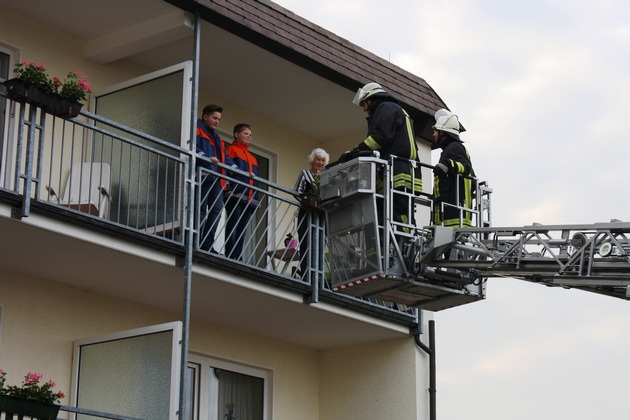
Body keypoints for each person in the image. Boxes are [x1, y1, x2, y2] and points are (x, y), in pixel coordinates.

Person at [340, 82, 422, 229]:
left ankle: (404, 245)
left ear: (371, 100)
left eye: (364, 104)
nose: (364, 109)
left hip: (397, 173)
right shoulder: (394, 109)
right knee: (391, 213)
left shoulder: (386, 108)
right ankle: (399, 243)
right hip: (400, 170)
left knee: (397, 212)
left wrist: (356, 152)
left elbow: (380, 137)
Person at [196, 104, 234, 252]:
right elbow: (191, 146)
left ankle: (207, 244)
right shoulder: (196, 129)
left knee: (217, 209)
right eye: (214, 118)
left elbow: (225, 157)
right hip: (203, 174)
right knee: (200, 210)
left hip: (216, 179)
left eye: (219, 119)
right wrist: (206, 158)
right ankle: (195, 240)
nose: (217, 121)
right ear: (205, 116)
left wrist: (235, 169)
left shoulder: (217, 137)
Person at [431, 109, 476, 227]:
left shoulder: (454, 148)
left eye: (436, 130)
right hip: (451, 215)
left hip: (453, 217)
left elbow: (465, 168)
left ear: (444, 134)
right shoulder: (452, 149)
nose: (433, 134)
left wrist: (447, 165)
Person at [224, 123, 259, 260]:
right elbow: (225, 171)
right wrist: (227, 189)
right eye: (246, 134)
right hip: (235, 194)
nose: (249, 137)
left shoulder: (253, 158)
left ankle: (237, 256)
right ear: (236, 134)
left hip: (249, 198)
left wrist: (256, 199)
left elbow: (255, 181)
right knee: (233, 224)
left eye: (250, 135)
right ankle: (230, 254)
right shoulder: (231, 150)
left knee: (242, 229)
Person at [294, 148, 329, 280]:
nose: (320, 163)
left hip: (321, 215)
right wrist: (307, 202)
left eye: (323, 160)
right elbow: (297, 192)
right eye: (318, 159)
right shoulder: (305, 174)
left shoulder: (327, 176)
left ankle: (318, 274)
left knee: (320, 243)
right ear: (312, 160)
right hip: (307, 213)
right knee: (306, 242)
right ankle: (307, 273)